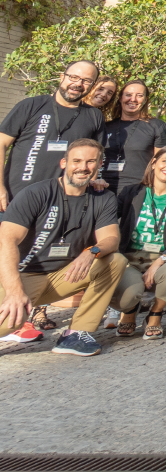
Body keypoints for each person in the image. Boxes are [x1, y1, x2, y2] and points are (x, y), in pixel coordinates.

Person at [0, 138, 126, 356]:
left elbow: (111, 239)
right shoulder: (36, 193)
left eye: (90, 162)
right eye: (76, 161)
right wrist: (14, 292)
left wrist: (91, 252)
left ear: (99, 165)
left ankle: (76, 334)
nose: (83, 167)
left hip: (64, 275)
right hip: (23, 275)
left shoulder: (103, 198)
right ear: (64, 163)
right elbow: (6, 240)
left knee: (115, 261)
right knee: (11, 320)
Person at [110, 145, 166, 340]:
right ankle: (130, 310)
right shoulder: (131, 192)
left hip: (163, 258)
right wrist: (96, 189)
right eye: (165, 161)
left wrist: (161, 260)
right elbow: (107, 217)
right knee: (128, 295)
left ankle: (155, 314)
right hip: (129, 258)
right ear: (154, 163)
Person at [0, 60, 104, 213]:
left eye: (86, 80)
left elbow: (95, 157)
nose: (78, 84)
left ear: (92, 85)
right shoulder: (31, 105)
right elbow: (1, 143)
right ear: (62, 77)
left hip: (61, 205)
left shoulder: (94, 116)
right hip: (14, 199)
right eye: (74, 77)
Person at [97, 79, 166, 195]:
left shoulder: (156, 126)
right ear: (120, 98)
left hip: (139, 190)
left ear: (145, 100)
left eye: (139, 95)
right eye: (128, 95)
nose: (133, 99)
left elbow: (162, 162)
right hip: (103, 189)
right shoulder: (105, 126)